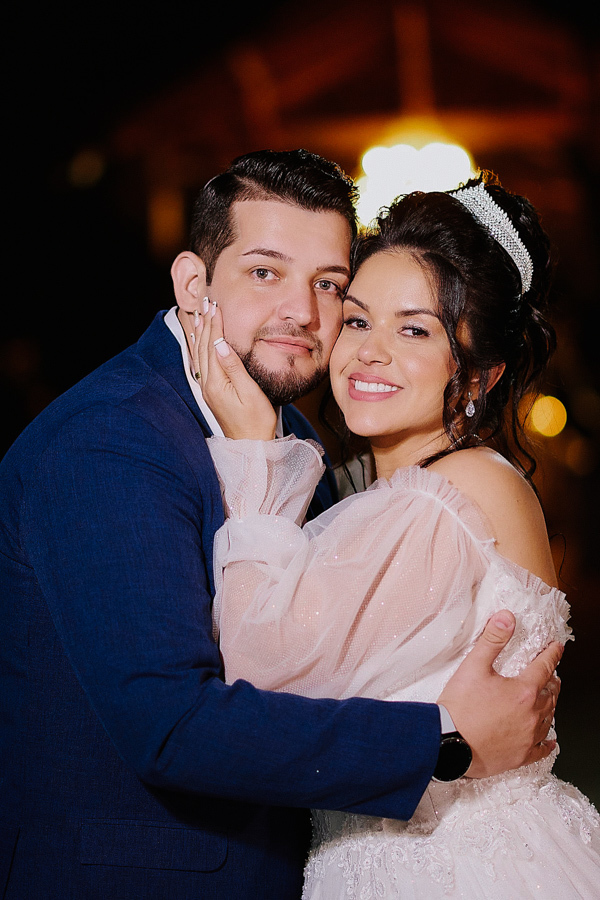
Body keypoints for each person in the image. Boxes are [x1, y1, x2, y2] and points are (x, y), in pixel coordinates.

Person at [0, 152, 562, 900]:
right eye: (265, 272)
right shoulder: (110, 441)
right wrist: (445, 742)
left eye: (329, 285)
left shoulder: (289, 433)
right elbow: (171, 725)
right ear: (194, 284)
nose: (304, 313)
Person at [193, 170, 600, 898]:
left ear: (477, 375)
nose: (368, 352)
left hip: (452, 871)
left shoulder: (447, 497)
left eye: (414, 328)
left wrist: (254, 449)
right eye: (357, 319)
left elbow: (259, 668)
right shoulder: (427, 487)